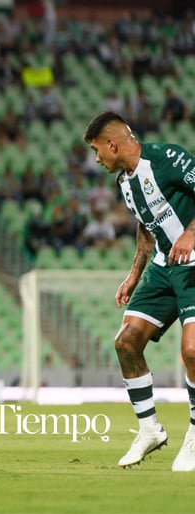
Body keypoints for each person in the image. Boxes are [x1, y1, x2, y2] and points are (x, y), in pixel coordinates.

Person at [83, 110, 195, 471]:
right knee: (126, 342)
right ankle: (149, 430)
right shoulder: (125, 183)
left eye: (97, 150)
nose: (97, 159)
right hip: (162, 267)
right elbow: (146, 227)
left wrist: (191, 232)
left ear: (113, 144)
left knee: (192, 349)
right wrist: (134, 274)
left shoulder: (166, 157)